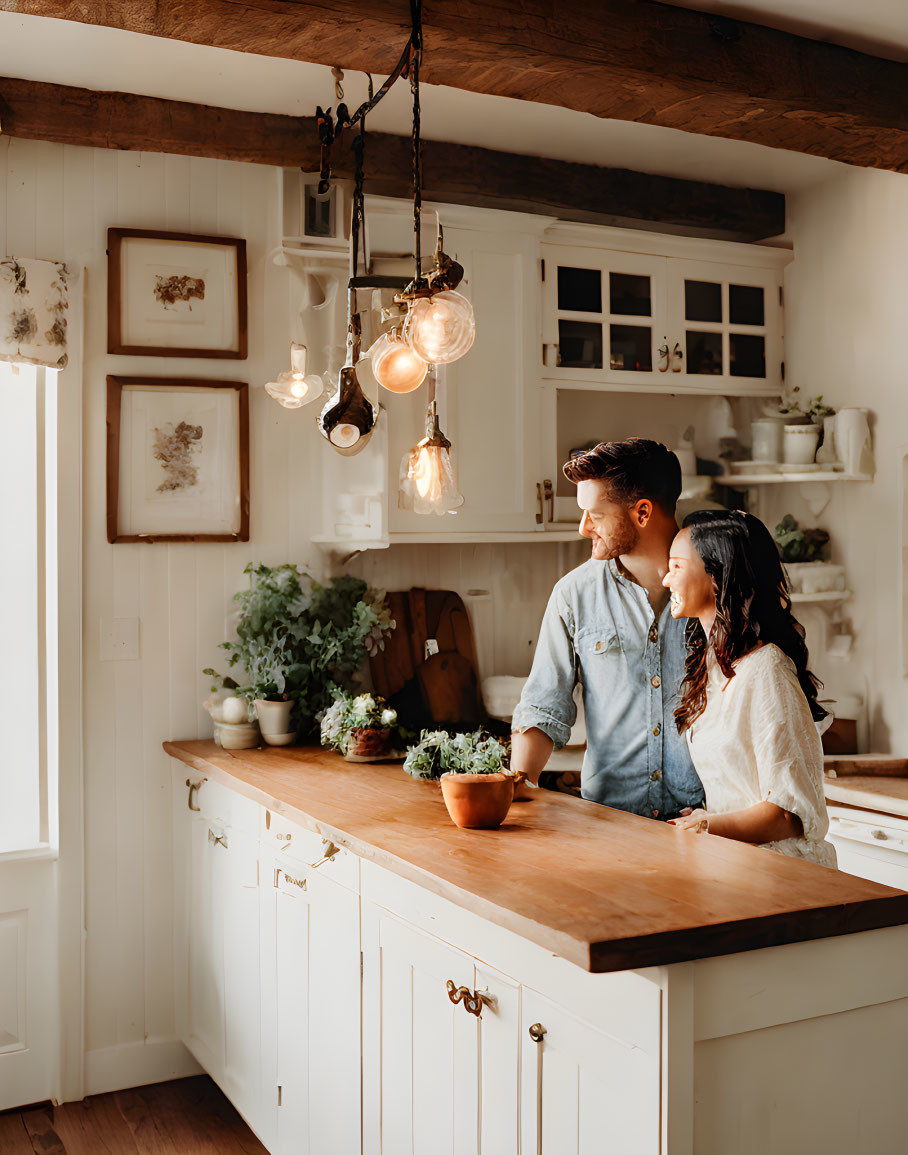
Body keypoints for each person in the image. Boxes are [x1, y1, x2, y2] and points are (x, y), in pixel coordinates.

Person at [511, 439, 705, 819]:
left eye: (595, 514)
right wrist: (518, 783)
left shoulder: (715, 588)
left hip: (703, 823)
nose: (584, 528)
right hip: (609, 823)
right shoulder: (573, 594)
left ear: (643, 512)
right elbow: (543, 706)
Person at [663, 509, 837, 867]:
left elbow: (788, 815)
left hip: (784, 877)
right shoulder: (713, 666)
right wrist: (709, 820)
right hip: (736, 867)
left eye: (677, 566)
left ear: (717, 577)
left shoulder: (767, 669)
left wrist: (707, 824)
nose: (666, 579)